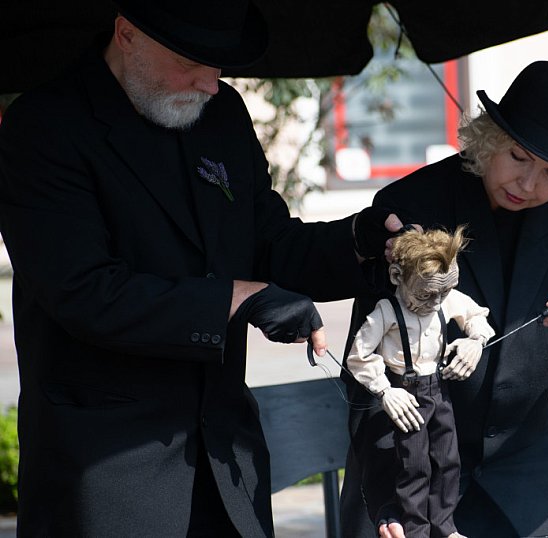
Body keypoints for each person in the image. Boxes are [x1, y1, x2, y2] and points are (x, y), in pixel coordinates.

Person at [0, 1, 404, 536]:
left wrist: (360, 240)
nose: (211, 83)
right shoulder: (45, 125)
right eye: (191, 62)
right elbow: (83, 291)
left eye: (220, 64)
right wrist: (233, 300)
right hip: (108, 471)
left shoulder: (222, 113)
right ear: (127, 34)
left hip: (226, 464)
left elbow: (270, 243)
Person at [339, 60, 548, 538]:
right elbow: (364, 364)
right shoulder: (412, 203)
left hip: (527, 472)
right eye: (518, 157)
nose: (528, 184)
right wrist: (387, 497)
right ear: (489, 139)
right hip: (408, 465)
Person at [347, 227, 495, 538]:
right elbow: (358, 356)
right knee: (414, 465)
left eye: (446, 290)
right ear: (397, 276)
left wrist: (476, 341)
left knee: (448, 460)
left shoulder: (446, 299)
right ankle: (416, 530)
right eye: (427, 294)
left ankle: (444, 527)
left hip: (439, 388)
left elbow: (477, 317)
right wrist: (385, 391)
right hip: (406, 392)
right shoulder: (386, 312)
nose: (437, 302)